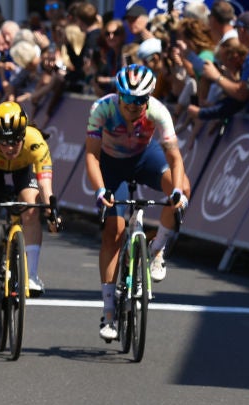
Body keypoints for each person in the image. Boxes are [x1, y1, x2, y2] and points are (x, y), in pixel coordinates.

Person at [85, 64, 189, 342]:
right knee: (114, 232)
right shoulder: (102, 109)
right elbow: (92, 156)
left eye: (140, 99)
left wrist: (176, 192)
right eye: (128, 98)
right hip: (111, 164)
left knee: (184, 187)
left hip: (145, 157)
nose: (133, 105)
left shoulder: (158, 112)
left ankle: (157, 250)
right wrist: (100, 190)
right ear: (119, 94)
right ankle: (109, 311)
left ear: (149, 97)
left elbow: (175, 159)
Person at [0, 101, 57, 312]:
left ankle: (32, 276)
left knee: (31, 209)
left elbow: (45, 187)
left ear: (23, 135)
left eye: (15, 141)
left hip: (24, 168)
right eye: (4, 142)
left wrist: (52, 211)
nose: (9, 148)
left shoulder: (36, 142)